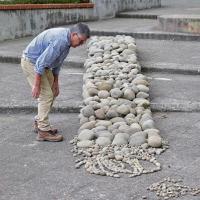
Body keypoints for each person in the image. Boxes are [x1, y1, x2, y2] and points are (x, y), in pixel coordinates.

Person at [21, 23, 90, 142]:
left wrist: (55, 83)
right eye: (80, 41)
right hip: (31, 62)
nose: (81, 44)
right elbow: (40, 63)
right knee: (46, 95)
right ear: (74, 35)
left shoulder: (67, 42)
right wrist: (37, 85)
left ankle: (40, 122)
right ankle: (43, 131)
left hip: (43, 65)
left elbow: (58, 63)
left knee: (52, 92)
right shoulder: (61, 41)